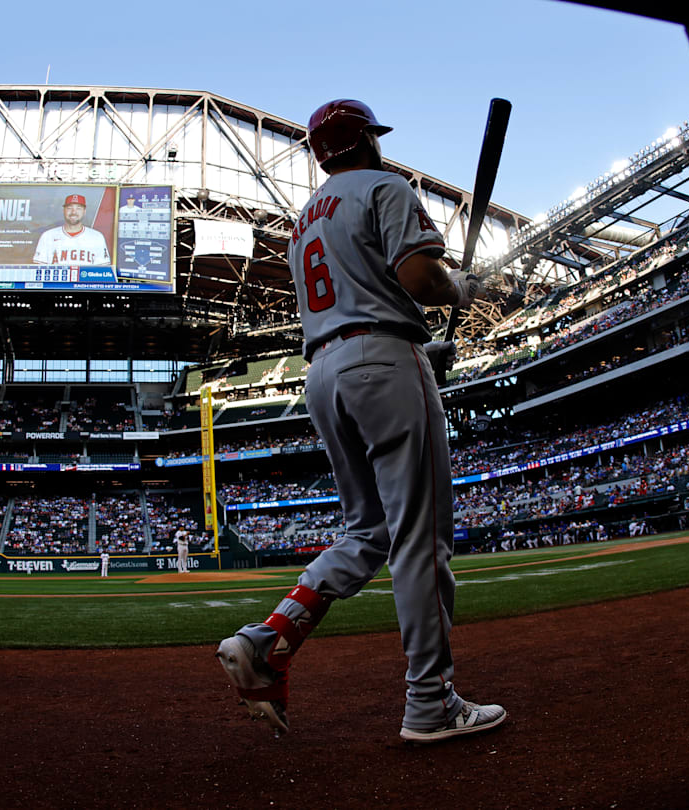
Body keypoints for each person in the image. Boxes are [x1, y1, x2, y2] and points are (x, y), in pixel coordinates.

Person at [215, 99, 504, 744]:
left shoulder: (301, 223)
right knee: (420, 541)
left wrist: (424, 347)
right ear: (369, 142)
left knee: (368, 531)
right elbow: (418, 278)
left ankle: (268, 640)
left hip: (325, 373)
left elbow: (353, 304)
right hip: (383, 363)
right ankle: (430, 703)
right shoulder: (385, 186)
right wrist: (461, 289)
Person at [34, 194, 112, 267]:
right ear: (63, 210)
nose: (73, 212)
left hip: (85, 281)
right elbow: (39, 268)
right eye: (69, 208)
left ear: (84, 212)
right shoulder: (48, 236)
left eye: (78, 208)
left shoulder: (97, 237)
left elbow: (102, 271)